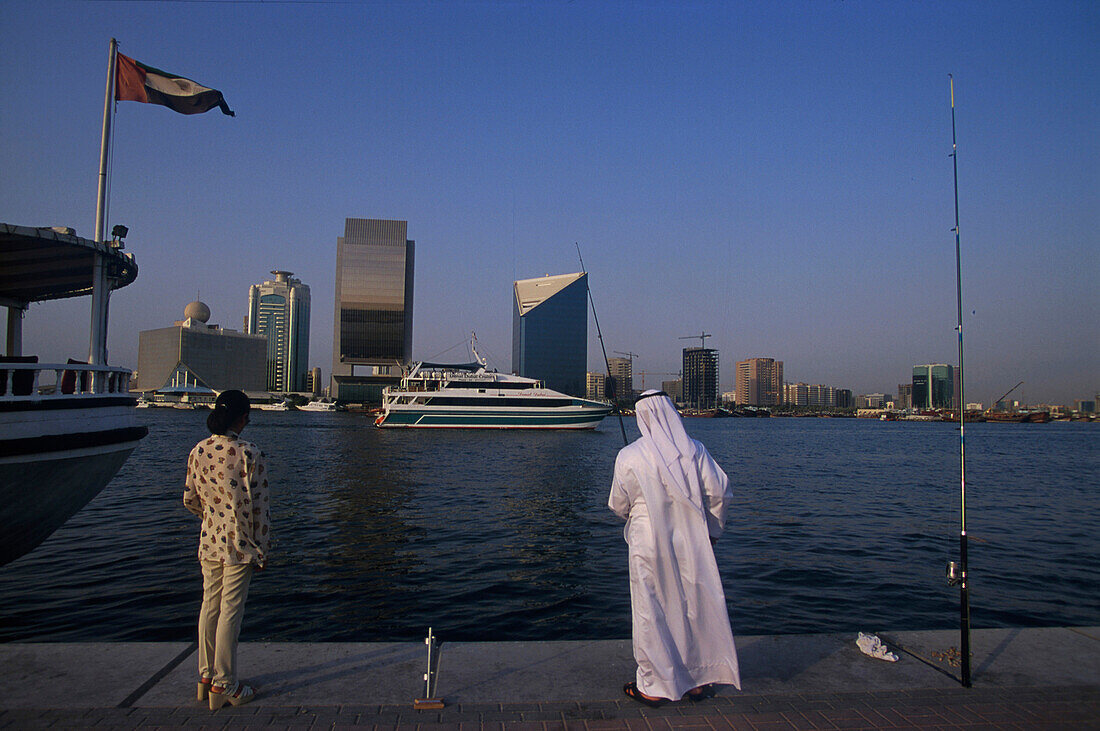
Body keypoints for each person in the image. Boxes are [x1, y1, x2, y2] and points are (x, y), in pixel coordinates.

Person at [609, 390, 740, 706]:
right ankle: (695, 681)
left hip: (647, 543)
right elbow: (720, 493)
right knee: (692, 606)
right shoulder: (695, 451)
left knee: (650, 611)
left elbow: (617, 504)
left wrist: (636, 513)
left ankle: (654, 686)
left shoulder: (629, 455)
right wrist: (712, 532)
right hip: (691, 541)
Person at [183, 390, 270, 710]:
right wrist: (262, 549)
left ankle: (205, 678)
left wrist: (212, 518)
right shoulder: (249, 453)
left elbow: (190, 499)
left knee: (210, 607)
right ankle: (225, 685)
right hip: (240, 544)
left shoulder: (198, 451)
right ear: (242, 418)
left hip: (209, 540)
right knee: (230, 612)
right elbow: (260, 509)